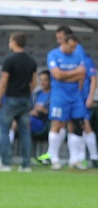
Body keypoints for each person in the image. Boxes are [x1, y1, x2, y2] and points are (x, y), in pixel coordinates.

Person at [45, 33, 86, 171]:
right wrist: (74, 73)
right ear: (64, 43)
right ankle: (54, 159)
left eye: (75, 47)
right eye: (71, 47)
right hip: (59, 96)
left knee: (77, 125)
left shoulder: (78, 54)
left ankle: (74, 160)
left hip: (75, 96)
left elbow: (82, 74)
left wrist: (65, 76)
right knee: (57, 124)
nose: (73, 49)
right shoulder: (53, 55)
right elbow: (57, 75)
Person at [0, 32, 37, 172]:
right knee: (25, 132)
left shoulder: (9, 60)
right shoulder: (31, 61)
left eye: (10, 41)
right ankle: (26, 165)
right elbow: (34, 83)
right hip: (25, 99)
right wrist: (27, 93)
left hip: (11, 99)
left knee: (3, 130)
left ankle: (6, 163)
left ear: (14, 42)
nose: (9, 43)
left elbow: (4, 82)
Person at [81, 49, 98, 168]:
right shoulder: (66, 58)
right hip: (71, 98)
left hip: (82, 99)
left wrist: (90, 96)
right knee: (73, 127)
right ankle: (79, 158)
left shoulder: (86, 60)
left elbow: (93, 78)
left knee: (85, 125)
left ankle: (94, 157)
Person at [28, 70, 51, 136]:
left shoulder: (54, 96)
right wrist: (31, 112)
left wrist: (44, 111)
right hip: (30, 117)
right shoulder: (35, 94)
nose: (42, 82)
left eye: (45, 80)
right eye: (40, 80)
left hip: (42, 122)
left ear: (50, 81)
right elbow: (27, 108)